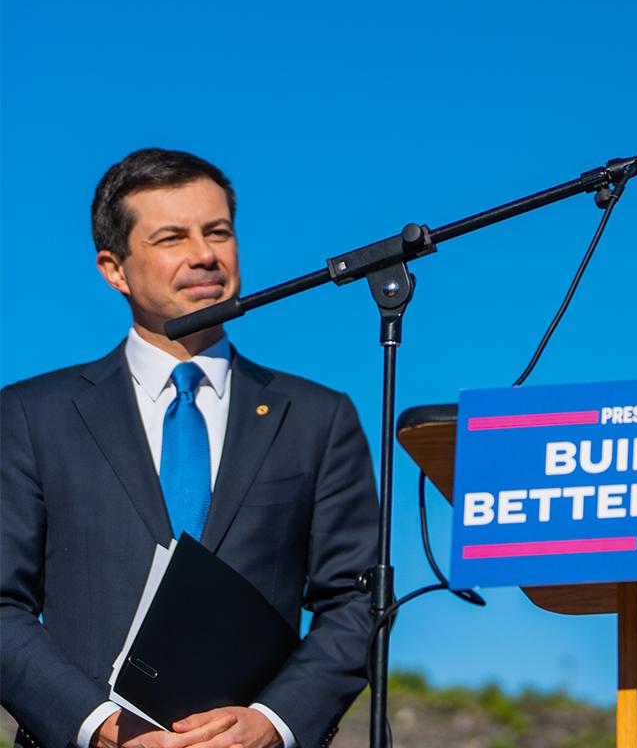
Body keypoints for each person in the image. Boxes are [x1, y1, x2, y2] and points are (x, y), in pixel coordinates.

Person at [1, 149, 380, 748]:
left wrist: (273, 724)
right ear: (114, 268)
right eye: (172, 237)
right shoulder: (30, 415)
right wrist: (97, 725)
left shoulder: (317, 418)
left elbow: (358, 600)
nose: (204, 254)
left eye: (218, 232)